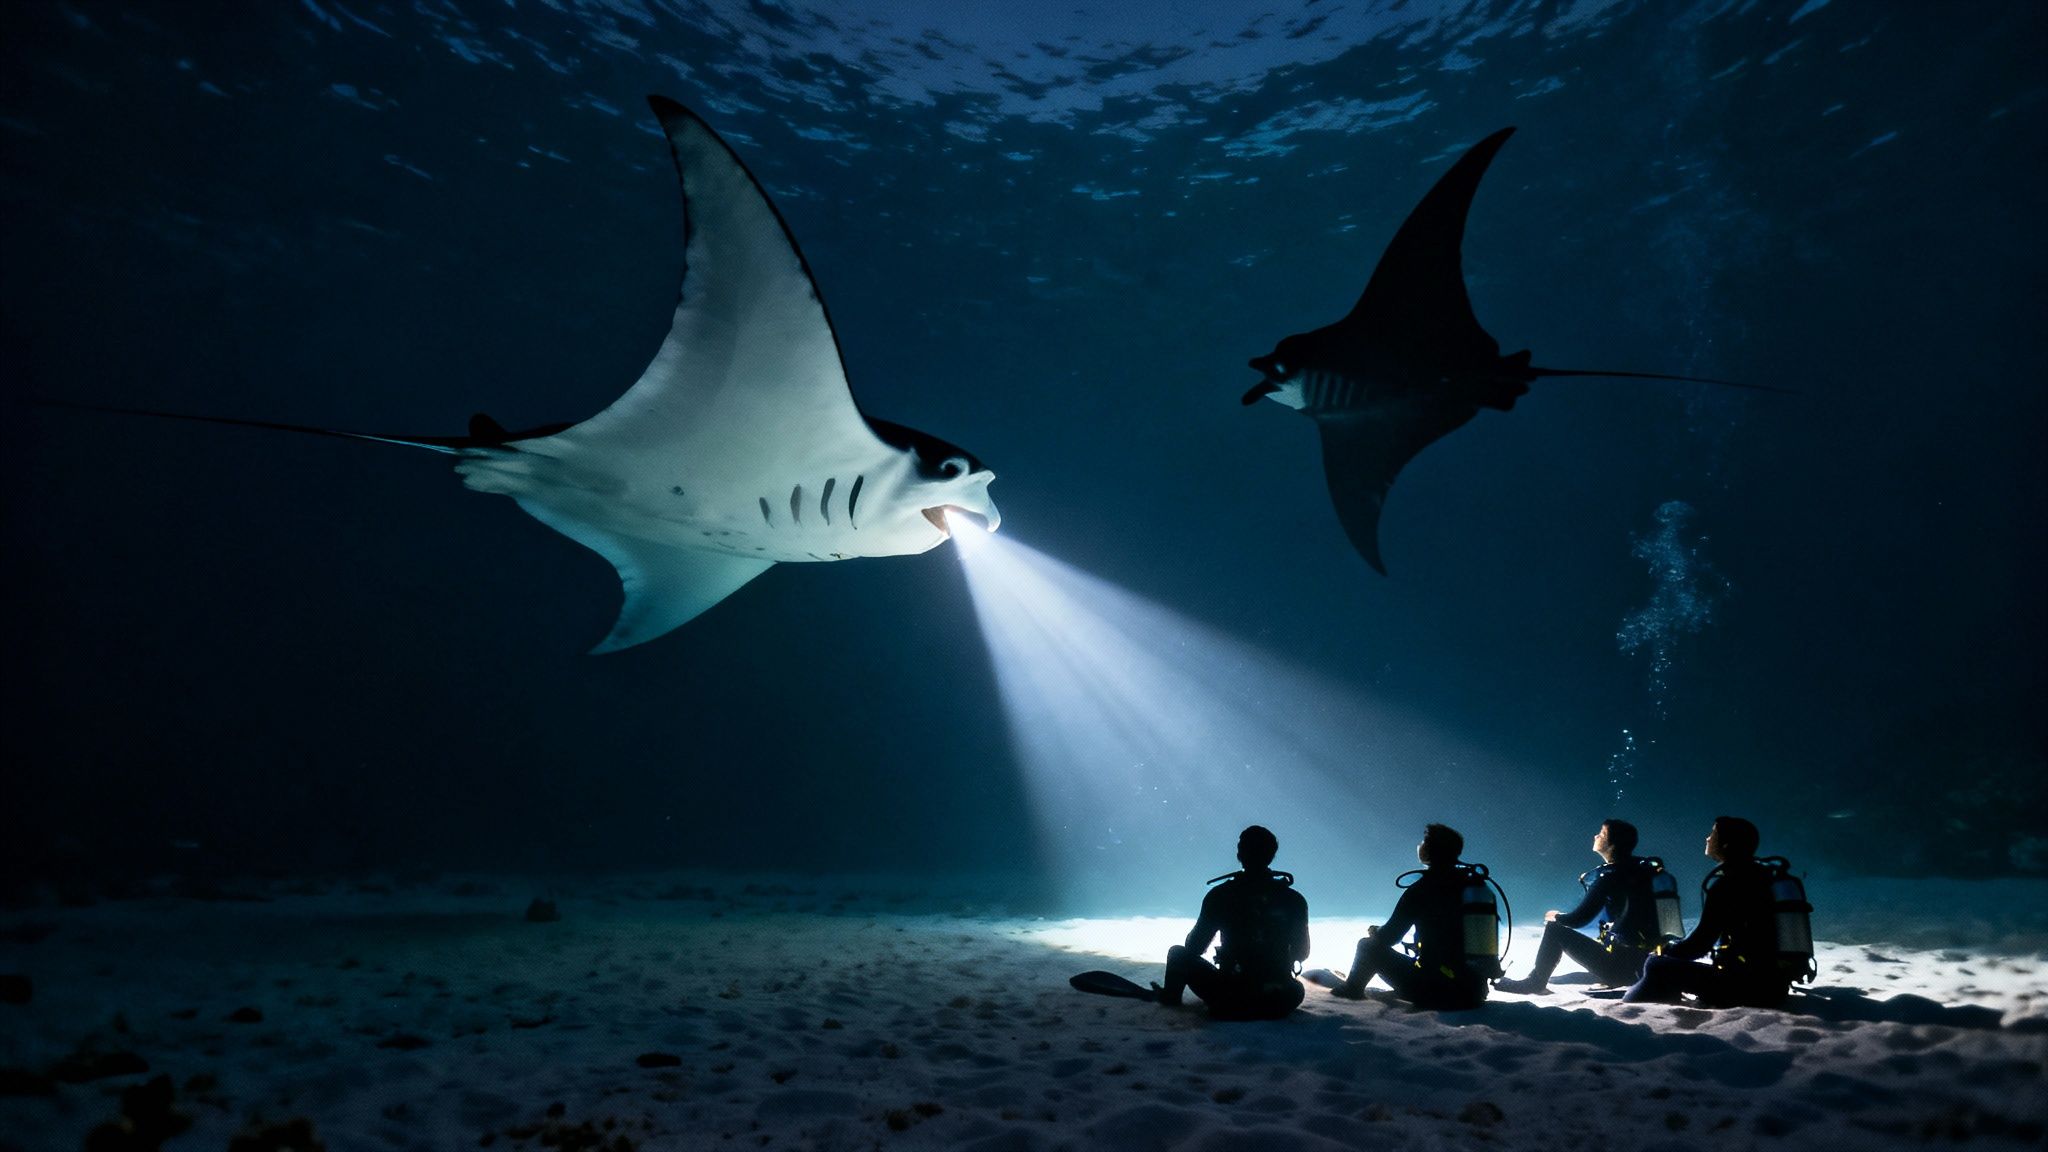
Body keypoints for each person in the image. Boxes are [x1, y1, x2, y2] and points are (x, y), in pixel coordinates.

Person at [1624, 816, 1792, 1008]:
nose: (1707, 839)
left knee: (1655, 964)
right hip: (1776, 987)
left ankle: (1632, 1002)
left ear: (1727, 845)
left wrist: (1666, 951)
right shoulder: (1763, 876)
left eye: (1713, 834)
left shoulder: (1728, 884)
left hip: (1747, 988)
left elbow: (1699, 945)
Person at [1330, 823, 1493, 1010]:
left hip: (1437, 991)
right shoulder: (1476, 887)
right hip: (1473, 993)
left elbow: (1390, 937)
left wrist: (1375, 932)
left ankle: (1352, 990)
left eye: (1424, 843)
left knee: (1367, 946)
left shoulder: (1422, 889)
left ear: (1429, 850)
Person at [1155, 825, 1310, 1021]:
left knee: (1177, 953)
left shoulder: (1220, 895)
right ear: (1272, 855)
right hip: (1278, 999)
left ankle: (1170, 998)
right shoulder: (1295, 899)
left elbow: (1194, 947)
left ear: (1240, 854)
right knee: (1297, 989)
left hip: (1229, 997)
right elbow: (1302, 952)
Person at [1496, 818, 1667, 995]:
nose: (1596, 836)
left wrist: (1555, 916)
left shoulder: (1610, 877)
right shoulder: (1642, 872)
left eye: (1601, 834)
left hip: (1622, 971)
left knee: (1555, 930)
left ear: (1612, 844)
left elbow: (1578, 920)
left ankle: (1535, 983)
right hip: (1651, 967)